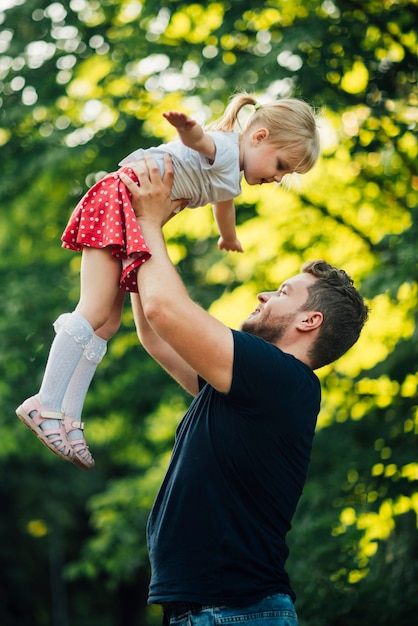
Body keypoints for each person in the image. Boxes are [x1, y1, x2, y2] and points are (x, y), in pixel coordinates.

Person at [121, 155, 369, 626]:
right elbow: (155, 335)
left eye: (281, 291)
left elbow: (165, 311)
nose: (263, 295)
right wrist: (137, 235)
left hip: (233, 612)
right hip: (219, 611)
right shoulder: (248, 385)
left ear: (309, 321)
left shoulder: (281, 379)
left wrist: (149, 222)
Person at [16, 93, 320, 470]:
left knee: (108, 324)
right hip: (120, 199)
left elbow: (224, 205)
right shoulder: (225, 150)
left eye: (285, 174)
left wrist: (228, 237)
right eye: (281, 165)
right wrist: (186, 127)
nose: (278, 177)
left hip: (131, 209)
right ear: (257, 137)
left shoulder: (231, 177)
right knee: (93, 310)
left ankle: (68, 416)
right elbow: (200, 140)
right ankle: (45, 401)